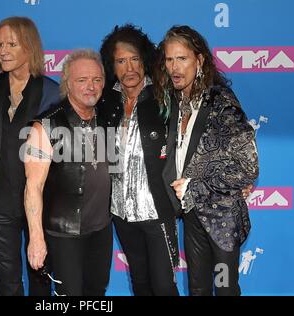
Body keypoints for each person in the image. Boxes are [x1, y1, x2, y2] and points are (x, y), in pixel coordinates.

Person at [154, 25, 259, 296]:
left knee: (224, 289)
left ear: (199, 60)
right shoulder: (176, 102)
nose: (174, 67)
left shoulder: (221, 102)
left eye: (182, 58)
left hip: (221, 217)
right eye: (169, 59)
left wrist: (193, 186)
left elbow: (247, 166)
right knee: (197, 290)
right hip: (192, 216)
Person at [0, 16, 59, 296]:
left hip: (39, 198)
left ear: (30, 47)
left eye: (12, 44)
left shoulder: (51, 91)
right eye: (0, 44)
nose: (3, 51)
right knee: (7, 279)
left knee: (40, 276)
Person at [98, 24, 179, 296]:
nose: (129, 68)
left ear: (146, 60)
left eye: (135, 59)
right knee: (140, 284)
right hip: (121, 211)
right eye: (121, 61)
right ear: (112, 65)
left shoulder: (165, 96)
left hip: (158, 211)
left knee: (165, 287)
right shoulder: (105, 100)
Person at [24, 49, 112, 296]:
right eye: (82, 80)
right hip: (63, 234)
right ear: (67, 84)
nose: (90, 87)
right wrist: (36, 238)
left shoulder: (107, 117)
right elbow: (33, 187)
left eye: (96, 80)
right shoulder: (46, 126)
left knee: (96, 294)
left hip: (101, 230)